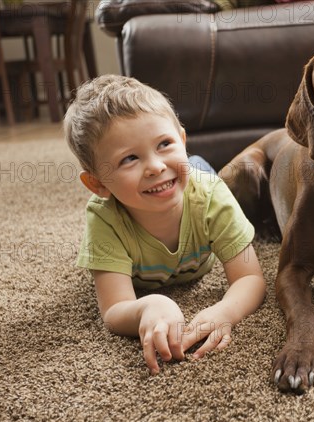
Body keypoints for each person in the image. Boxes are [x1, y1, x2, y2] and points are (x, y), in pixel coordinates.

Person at [64, 75, 266, 375]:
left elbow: (251, 278)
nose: (155, 166)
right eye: (129, 158)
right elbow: (114, 310)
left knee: (197, 170)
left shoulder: (212, 196)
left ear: (181, 139)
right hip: (180, 181)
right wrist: (149, 305)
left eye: (165, 144)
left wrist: (226, 310)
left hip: (197, 181)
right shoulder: (104, 218)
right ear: (97, 184)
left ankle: (190, 159)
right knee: (181, 170)